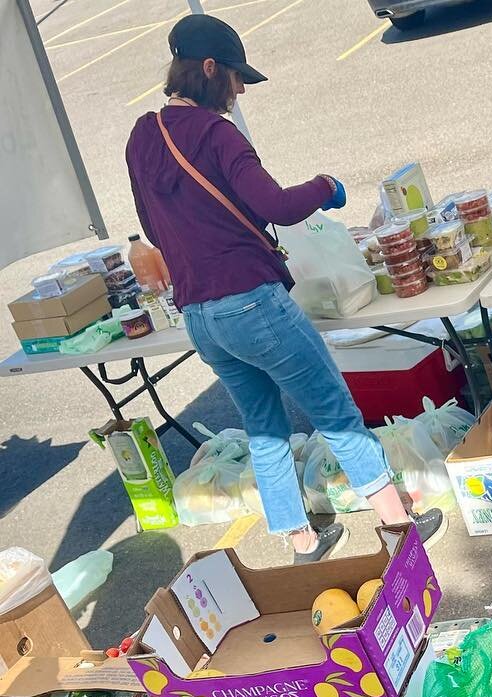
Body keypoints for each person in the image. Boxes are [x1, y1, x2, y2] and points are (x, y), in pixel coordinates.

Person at [125, 14, 444, 561]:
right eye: (234, 76)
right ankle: (398, 523)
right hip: (253, 304)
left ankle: (300, 540)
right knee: (335, 411)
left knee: (263, 427)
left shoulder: (142, 136)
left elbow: (154, 231)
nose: (240, 89)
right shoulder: (216, 133)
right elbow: (275, 205)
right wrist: (325, 186)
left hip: (202, 318)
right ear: (208, 68)